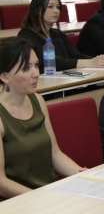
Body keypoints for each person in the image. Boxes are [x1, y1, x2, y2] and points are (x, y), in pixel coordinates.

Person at [0, 37, 87, 201]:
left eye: (36, 65)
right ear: (5, 76)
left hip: (49, 194)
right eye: (26, 68)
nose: (36, 73)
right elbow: (1, 183)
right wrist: (41, 197)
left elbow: (54, 153)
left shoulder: (38, 101)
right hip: (19, 201)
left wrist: (81, 174)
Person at [18, 0, 104, 74]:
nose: (56, 11)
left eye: (58, 7)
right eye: (50, 7)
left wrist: (99, 60)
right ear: (38, 10)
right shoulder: (27, 34)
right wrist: (90, 63)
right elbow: (46, 62)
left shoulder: (58, 34)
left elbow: (76, 56)